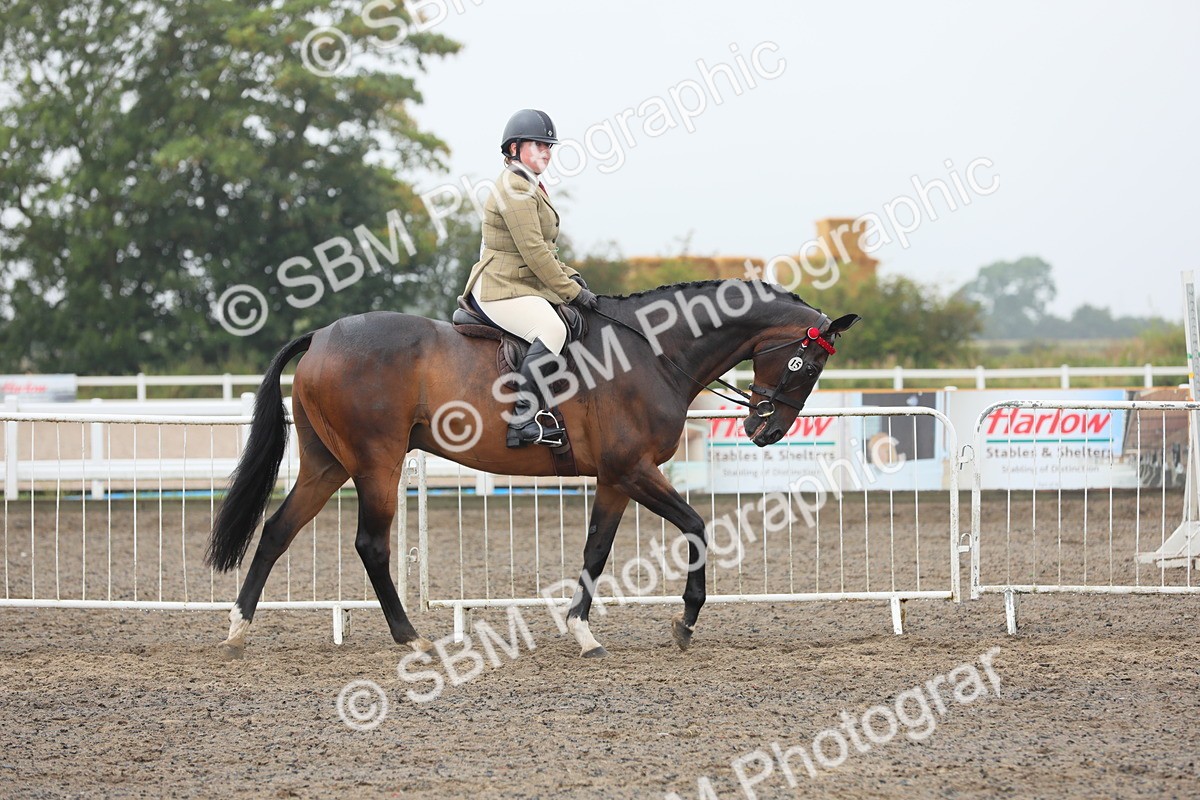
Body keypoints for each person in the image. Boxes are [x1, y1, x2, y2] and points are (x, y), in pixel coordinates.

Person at [460, 109, 599, 448]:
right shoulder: (514, 188)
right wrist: (571, 293)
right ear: (514, 149)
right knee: (552, 329)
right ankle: (522, 420)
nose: (546, 152)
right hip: (499, 286)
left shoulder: (530, 186)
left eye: (548, 146)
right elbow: (535, 252)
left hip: (521, 283)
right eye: (538, 145)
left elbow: (546, 253)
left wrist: (573, 278)